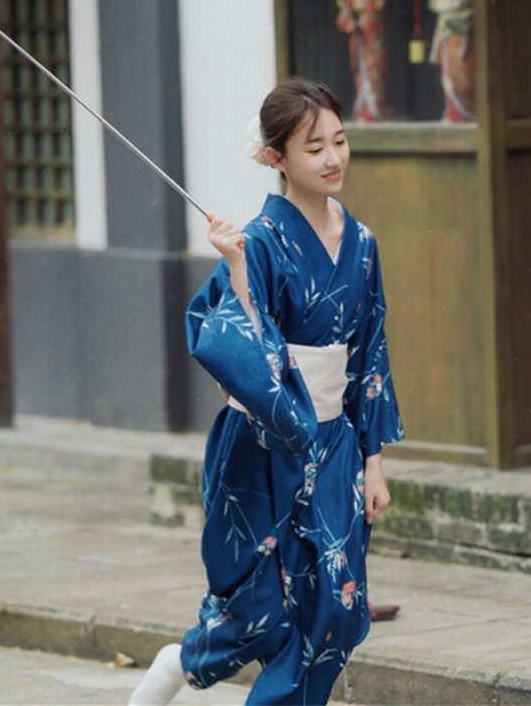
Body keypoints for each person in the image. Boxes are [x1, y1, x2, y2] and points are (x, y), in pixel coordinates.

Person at [129, 79, 403, 706]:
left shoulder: (362, 245)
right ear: (276, 156)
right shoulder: (258, 242)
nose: (333, 158)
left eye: (339, 141)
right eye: (315, 147)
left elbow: (370, 355)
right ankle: (178, 665)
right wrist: (237, 269)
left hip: (333, 444)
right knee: (259, 611)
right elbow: (241, 346)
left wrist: (373, 461)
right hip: (262, 445)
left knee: (334, 607)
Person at [335, 0, 390, 122]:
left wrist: (363, 22)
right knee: (360, 73)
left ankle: (375, 110)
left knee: (374, 73)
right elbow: (345, 15)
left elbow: (379, 12)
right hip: (358, 39)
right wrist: (351, 23)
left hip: (372, 38)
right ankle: (364, 110)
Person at [428, 0, 476, 122]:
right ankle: (454, 113)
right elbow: (436, 5)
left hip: (459, 34)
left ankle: (465, 112)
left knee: (461, 73)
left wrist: (441, 3)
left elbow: (450, 6)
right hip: (448, 35)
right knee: (448, 73)